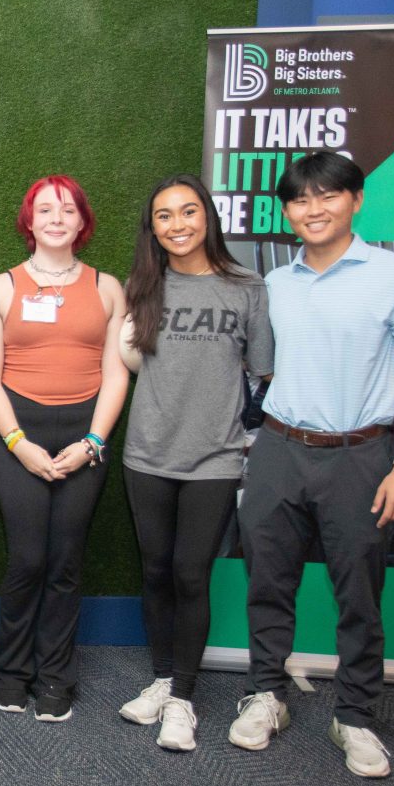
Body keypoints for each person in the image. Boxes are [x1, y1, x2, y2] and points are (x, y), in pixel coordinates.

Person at [228, 151, 394, 778]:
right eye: (299, 199)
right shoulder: (274, 284)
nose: (313, 209)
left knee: (359, 593)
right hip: (278, 449)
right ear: (286, 211)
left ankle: (355, 715)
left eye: (327, 195)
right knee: (267, 582)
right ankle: (266, 694)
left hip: (362, 456)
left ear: (356, 200)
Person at [118, 174, 273, 752]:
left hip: (215, 458)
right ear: (153, 228)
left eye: (188, 211)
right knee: (156, 571)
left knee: (190, 573)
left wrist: (249, 437)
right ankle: (162, 679)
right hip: (147, 454)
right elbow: (131, 363)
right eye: (164, 216)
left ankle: (183, 699)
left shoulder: (247, 287)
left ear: (207, 216)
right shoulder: (143, 286)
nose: (177, 224)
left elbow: (264, 373)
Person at [0, 175, 129, 722]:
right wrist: (18, 443)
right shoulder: (1, 287)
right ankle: (10, 672)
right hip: (19, 431)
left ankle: (56, 676)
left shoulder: (108, 288)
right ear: (29, 221)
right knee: (27, 559)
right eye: (45, 209)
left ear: (82, 221)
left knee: (65, 561)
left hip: (86, 435)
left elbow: (116, 374)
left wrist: (93, 442)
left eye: (67, 209)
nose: (56, 218)